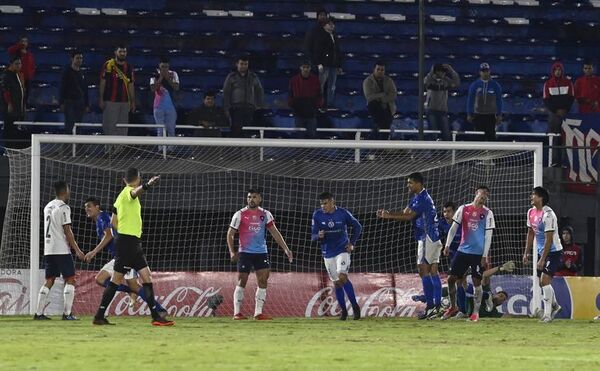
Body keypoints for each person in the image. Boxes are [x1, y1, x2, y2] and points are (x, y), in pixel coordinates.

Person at [93, 168, 174, 326]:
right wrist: (148, 185)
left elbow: (113, 222)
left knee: (146, 278)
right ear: (138, 179)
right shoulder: (128, 193)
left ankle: (156, 316)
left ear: (124, 179)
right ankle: (99, 316)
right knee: (116, 280)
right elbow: (135, 193)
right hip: (127, 243)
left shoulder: (119, 199)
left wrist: (121, 236)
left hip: (132, 243)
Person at [83, 197, 167, 314]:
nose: (86, 209)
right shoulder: (98, 220)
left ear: (97, 207)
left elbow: (109, 236)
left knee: (135, 286)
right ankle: (130, 291)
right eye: (85, 206)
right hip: (118, 257)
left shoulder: (104, 217)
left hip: (125, 255)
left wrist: (94, 252)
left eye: (89, 206)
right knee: (100, 279)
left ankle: (159, 310)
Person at [376, 172, 443, 319]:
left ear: (418, 184)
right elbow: (406, 211)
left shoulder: (423, 198)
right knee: (431, 270)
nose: (408, 185)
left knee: (424, 270)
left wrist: (389, 216)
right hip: (431, 237)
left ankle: (432, 306)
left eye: (410, 183)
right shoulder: (417, 198)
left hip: (427, 237)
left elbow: (409, 216)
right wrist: (389, 213)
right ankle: (436, 306)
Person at [227, 189, 293, 320]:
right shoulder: (239, 214)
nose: (251, 199)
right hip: (245, 252)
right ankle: (237, 313)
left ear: (260, 199)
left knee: (263, 281)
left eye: (254, 197)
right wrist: (232, 251)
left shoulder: (265, 214)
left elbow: (275, 232)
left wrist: (286, 249)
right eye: (249, 197)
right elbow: (230, 233)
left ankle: (258, 313)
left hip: (261, 253)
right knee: (242, 281)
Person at [441, 185, 495, 322]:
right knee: (451, 279)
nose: (484, 197)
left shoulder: (488, 213)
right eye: (482, 194)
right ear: (476, 194)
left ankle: (475, 313)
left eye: (486, 195)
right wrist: (447, 245)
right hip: (462, 251)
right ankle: (453, 307)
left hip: (477, 254)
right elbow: (453, 228)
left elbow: (489, 236)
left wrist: (484, 255)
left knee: (477, 282)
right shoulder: (463, 209)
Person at [34, 181, 85, 320]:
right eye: (68, 189)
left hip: (48, 249)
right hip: (61, 248)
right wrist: (78, 250)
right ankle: (67, 314)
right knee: (71, 279)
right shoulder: (64, 207)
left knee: (49, 280)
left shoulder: (47, 206)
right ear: (65, 191)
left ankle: (38, 314)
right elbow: (67, 231)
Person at [311, 192, 363, 320]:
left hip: (342, 250)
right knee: (337, 284)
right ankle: (343, 311)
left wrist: (352, 243)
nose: (323, 206)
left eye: (326, 203)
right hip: (327, 253)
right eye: (321, 204)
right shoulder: (317, 215)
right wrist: (319, 236)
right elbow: (312, 236)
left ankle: (355, 307)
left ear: (332, 201)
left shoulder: (343, 213)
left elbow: (358, 226)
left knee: (342, 277)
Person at [523, 186, 563, 323]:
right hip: (542, 252)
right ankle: (556, 306)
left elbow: (549, 239)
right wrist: (526, 253)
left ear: (541, 198)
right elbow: (530, 233)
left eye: (533, 195)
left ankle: (547, 315)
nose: (531, 197)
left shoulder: (549, 215)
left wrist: (542, 259)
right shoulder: (530, 212)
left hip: (553, 252)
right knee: (542, 283)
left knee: (544, 281)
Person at [222, 56, 264, 137]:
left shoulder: (253, 76)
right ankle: (235, 150)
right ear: (237, 64)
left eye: (245, 64)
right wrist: (226, 108)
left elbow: (259, 90)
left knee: (247, 133)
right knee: (236, 133)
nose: (243, 66)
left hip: (249, 109)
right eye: (241, 64)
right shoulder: (231, 76)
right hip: (235, 109)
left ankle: (246, 149)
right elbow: (226, 93)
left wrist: (259, 105)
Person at [99, 45, 135, 137]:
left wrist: (133, 101)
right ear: (115, 52)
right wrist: (101, 99)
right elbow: (103, 82)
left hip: (125, 101)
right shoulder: (108, 65)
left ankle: (119, 150)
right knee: (109, 127)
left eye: (124, 52)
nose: (122, 54)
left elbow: (131, 85)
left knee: (123, 128)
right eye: (120, 52)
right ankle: (109, 150)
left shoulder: (129, 67)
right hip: (110, 101)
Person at [543, 61, 574, 166]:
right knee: (554, 138)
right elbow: (546, 100)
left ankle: (566, 162)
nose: (558, 72)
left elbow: (571, 98)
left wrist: (565, 110)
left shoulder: (568, 83)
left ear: (562, 71)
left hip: (566, 114)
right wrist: (556, 111)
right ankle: (554, 161)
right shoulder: (548, 84)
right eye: (556, 70)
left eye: (559, 70)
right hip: (553, 115)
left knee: (566, 138)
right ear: (553, 71)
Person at [466, 63, 503, 141]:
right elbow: (470, 100)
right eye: (483, 71)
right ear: (480, 72)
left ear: (489, 71)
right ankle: (480, 153)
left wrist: (499, 115)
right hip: (478, 115)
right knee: (478, 137)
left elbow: (499, 101)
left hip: (491, 115)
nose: (485, 73)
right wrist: (469, 113)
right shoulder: (475, 85)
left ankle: (491, 153)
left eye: (486, 71)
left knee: (491, 137)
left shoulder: (495, 85)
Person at [312, 17, 342, 109]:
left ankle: (329, 103)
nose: (332, 26)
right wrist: (319, 63)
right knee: (321, 85)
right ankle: (319, 103)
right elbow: (317, 51)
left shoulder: (335, 36)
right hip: (324, 65)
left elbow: (338, 52)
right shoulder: (321, 37)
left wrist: (339, 65)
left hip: (333, 65)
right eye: (330, 24)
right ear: (325, 26)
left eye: (333, 24)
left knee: (332, 86)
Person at [424, 63, 460, 141]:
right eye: (441, 71)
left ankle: (445, 152)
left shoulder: (446, 81)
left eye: (444, 71)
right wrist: (431, 72)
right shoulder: (430, 80)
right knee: (433, 134)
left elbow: (456, 83)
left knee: (446, 134)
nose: (443, 73)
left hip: (443, 110)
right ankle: (434, 152)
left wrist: (451, 70)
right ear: (436, 72)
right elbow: (425, 81)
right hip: (431, 110)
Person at [362, 61, 397, 138]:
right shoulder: (367, 81)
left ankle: (382, 143)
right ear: (374, 70)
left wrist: (380, 99)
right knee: (373, 104)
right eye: (378, 69)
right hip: (375, 108)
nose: (380, 71)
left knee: (384, 121)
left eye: (382, 70)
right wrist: (384, 94)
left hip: (388, 108)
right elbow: (369, 97)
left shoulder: (389, 80)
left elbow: (393, 95)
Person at [288, 60, 323, 138]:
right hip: (298, 114)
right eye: (304, 67)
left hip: (311, 114)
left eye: (307, 67)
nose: (306, 69)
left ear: (310, 68)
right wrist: (294, 106)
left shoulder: (315, 80)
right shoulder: (294, 80)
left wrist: (316, 107)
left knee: (312, 136)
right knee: (298, 136)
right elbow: (290, 95)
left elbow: (319, 95)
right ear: (301, 68)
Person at [59, 50, 89, 135]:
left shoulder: (82, 73)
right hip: (69, 101)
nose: (79, 60)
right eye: (77, 58)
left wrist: (86, 104)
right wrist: (61, 102)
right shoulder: (66, 72)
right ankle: (67, 146)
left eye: (81, 58)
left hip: (80, 102)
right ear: (72, 59)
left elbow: (85, 89)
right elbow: (62, 88)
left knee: (79, 125)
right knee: (69, 125)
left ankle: (79, 146)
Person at [150, 57, 179, 140]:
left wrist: (168, 79)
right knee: (160, 130)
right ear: (159, 66)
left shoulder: (173, 74)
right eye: (162, 66)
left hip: (171, 106)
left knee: (171, 129)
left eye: (166, 67)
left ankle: (171, 150)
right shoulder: (154, 75)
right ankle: (160, 150)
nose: (164, 68)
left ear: (169, 66)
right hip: (158, 106)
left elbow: (176, 87)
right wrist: (161, 78)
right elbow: (153, 89)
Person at [1, 55, 25, 148]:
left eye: (20, 64)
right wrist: (9, 103)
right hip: (10, 109)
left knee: (15, 131)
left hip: (17, 108)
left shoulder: (17, 75)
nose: (19, 66)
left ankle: (14, 149)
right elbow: (5, 90)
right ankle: (8, 150)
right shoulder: (6, 75)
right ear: (11, 64)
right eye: (16, 64)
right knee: (9, 130)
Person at [7, 36, 35, 103]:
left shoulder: (30, 55)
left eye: (25, 41)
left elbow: (32, 66)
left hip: (26, 79)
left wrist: (30, 75)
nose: (24, 43)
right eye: (22, 41)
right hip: (16, 78)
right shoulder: (15, 52)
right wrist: (19, 46)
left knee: (25, 98)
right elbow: (9, 50)